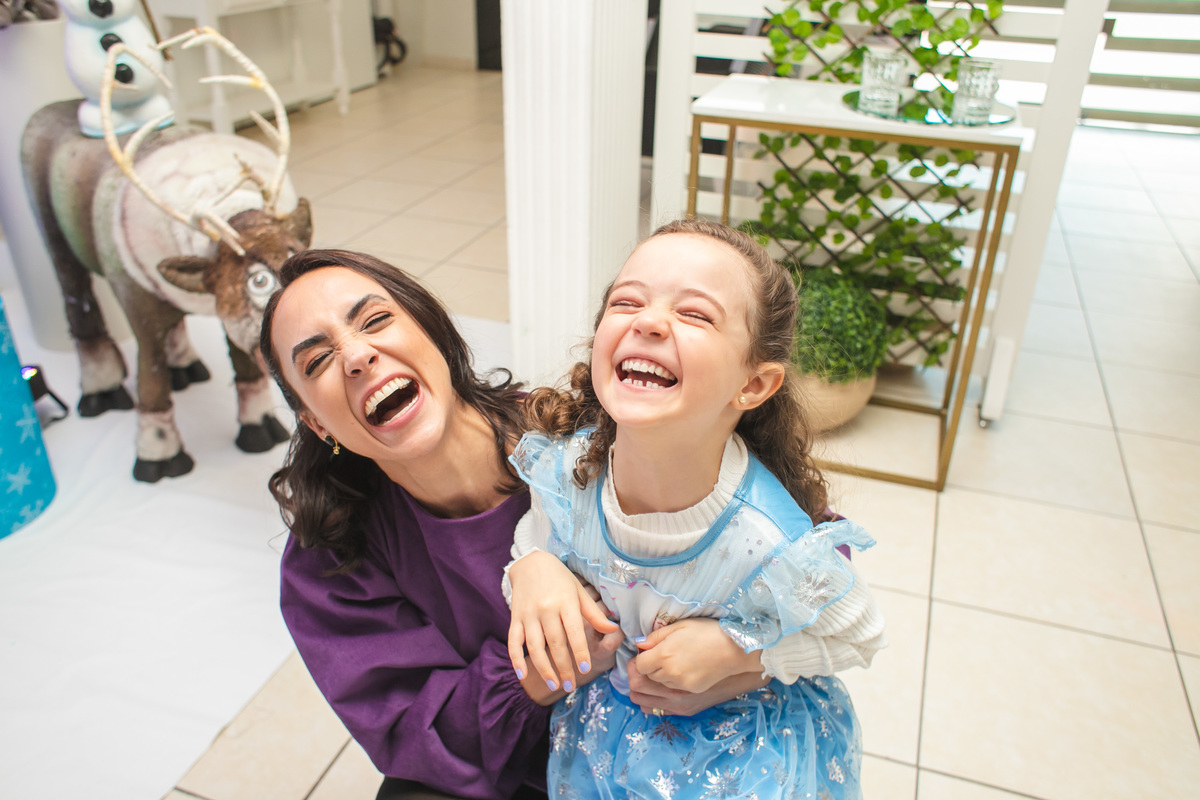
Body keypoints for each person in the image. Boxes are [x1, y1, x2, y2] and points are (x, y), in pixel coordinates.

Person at [258, 249, 820, 800]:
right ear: (315, 423)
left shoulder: (581, 431)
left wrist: (738, 655)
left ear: (431, 329)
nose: (357, 357)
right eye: (317, 361)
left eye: (376, 320)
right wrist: (546, 658)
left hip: (681, 748)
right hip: (517, 767)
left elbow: (810, 561)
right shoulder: (328, 561)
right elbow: (414, 736)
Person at [503, 220, 886, 800]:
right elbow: (534, 540)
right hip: (605, 736)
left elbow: (861, 634)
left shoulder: (769, 539)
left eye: (695, 314)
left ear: (753, 384)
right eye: (626, 302)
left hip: (745, 753)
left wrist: (742, 656)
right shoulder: (563, 472)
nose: (648, 321)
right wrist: (530, 570)